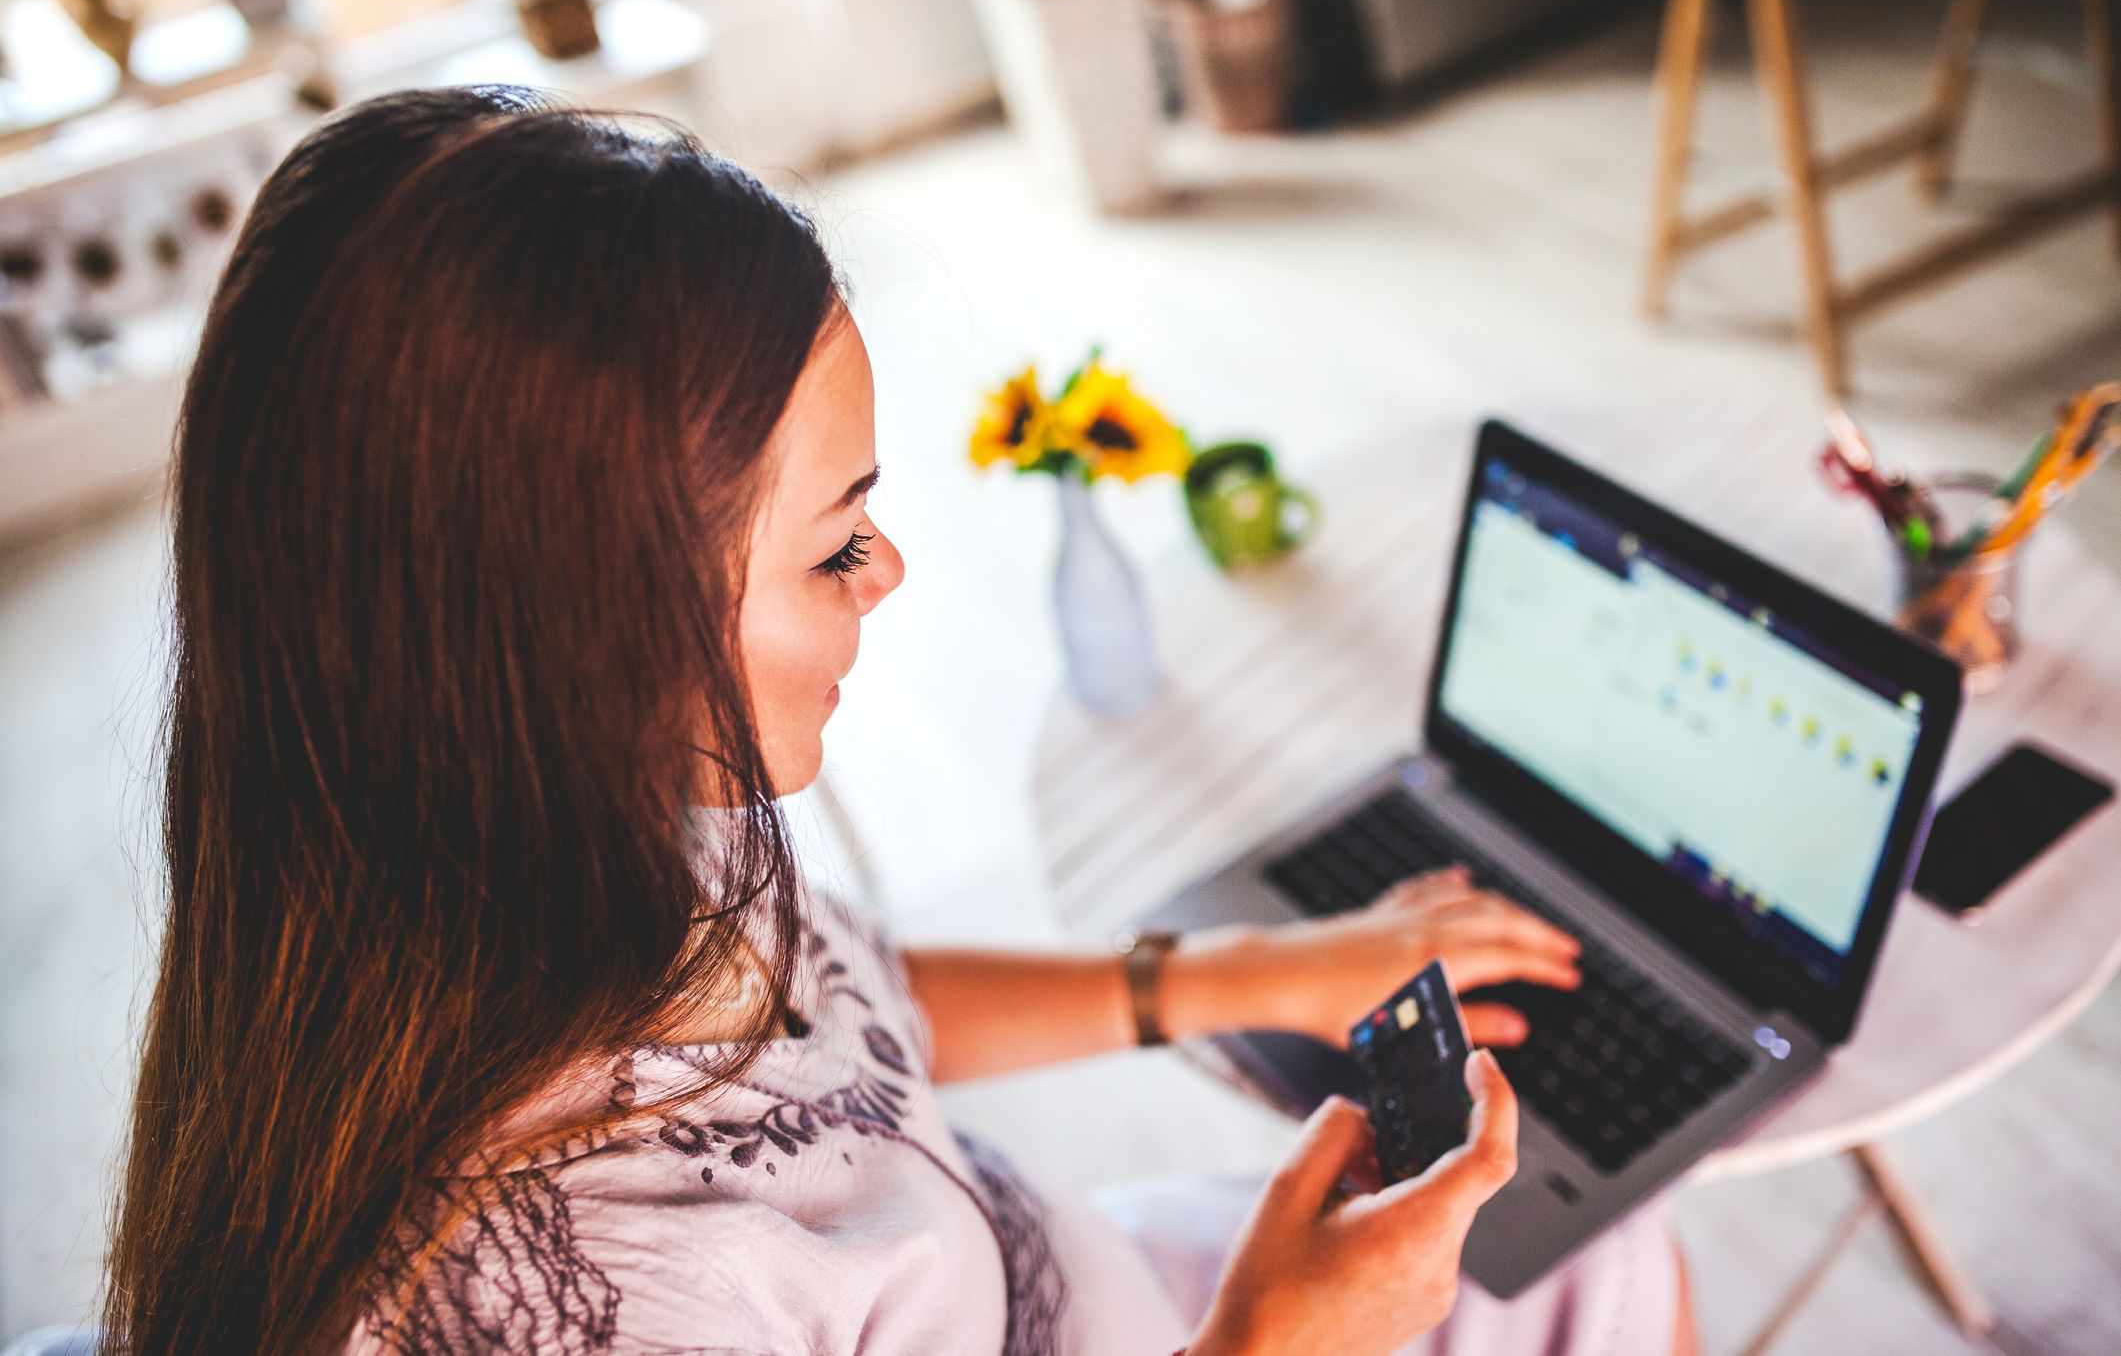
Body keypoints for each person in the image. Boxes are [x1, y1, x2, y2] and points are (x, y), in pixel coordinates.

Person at [102, 85, 1694, 1356]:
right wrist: (1277, 1340)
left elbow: (851, 1005)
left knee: (1591, 1219)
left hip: (1083, 1283)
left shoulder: (575, 823)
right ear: (578, 625)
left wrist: (1243, 972)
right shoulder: (595, 1295)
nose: (891, 569)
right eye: (829, 542)